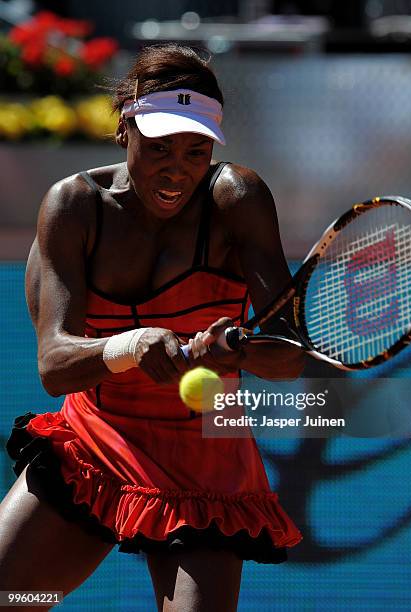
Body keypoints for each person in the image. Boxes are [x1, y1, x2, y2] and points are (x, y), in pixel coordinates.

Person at [0, 44, 304, 611]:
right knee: (12, 596)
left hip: (205, 461)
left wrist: (235, 354)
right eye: (159, 146)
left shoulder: (237, 197)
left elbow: (290, 355)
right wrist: (134, 344)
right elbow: (54, 365)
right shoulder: (73, 206)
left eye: (196, 150)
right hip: (95, 446)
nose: (178, 168)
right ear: (124, 130)